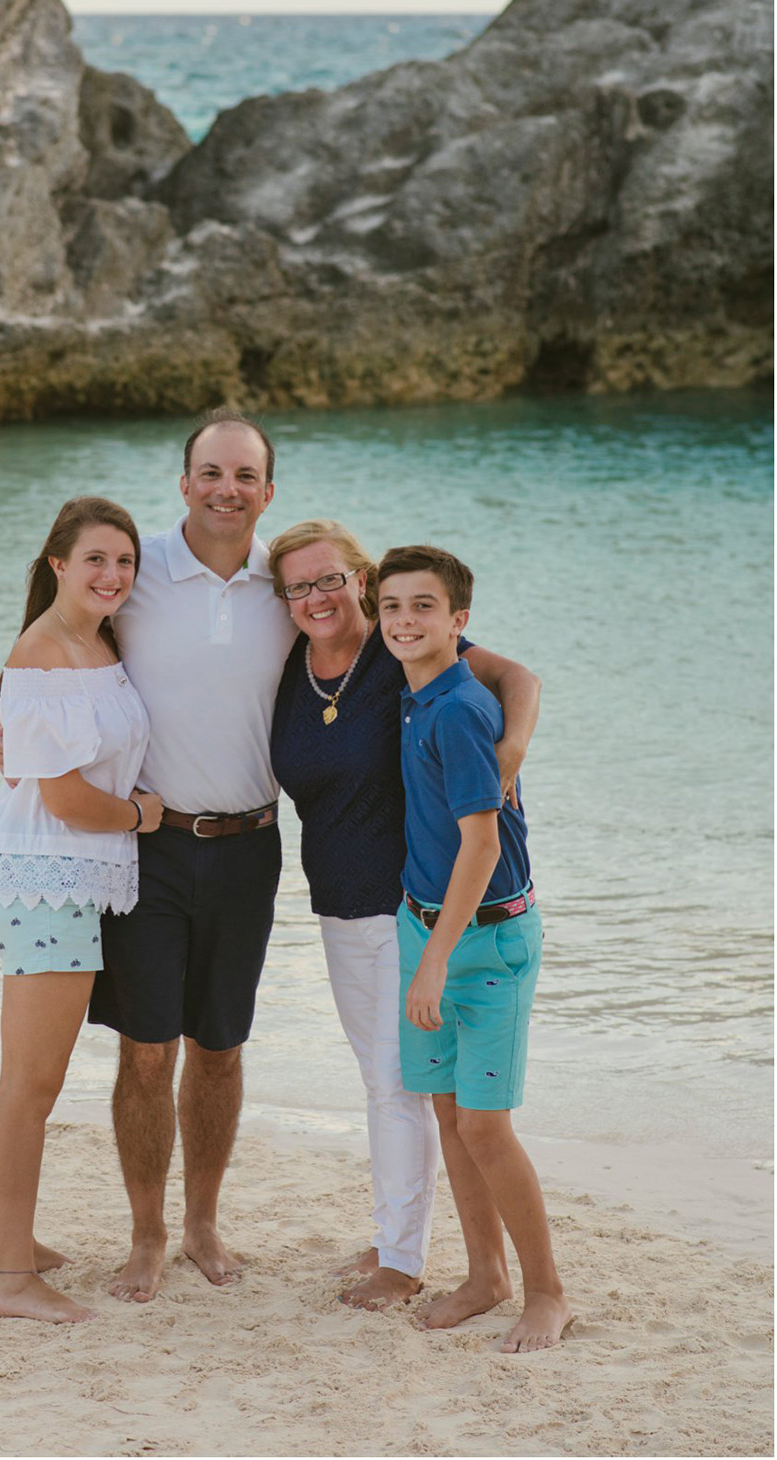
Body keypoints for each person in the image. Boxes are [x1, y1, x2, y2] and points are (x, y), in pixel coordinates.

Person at [266, 520, 540, 1312]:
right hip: (337, 902)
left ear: (358, 578)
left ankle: (402, 1256)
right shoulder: (292, 666)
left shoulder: (404, 646)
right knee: (381, 1081)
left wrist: (512, 750)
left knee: (396, 1084)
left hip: (410, 905)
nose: (316, 597)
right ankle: (400, 1232)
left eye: (329, 580)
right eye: (298, 586)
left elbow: (516, 677)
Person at [69, 409, 294, 1302]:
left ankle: (203, 1221)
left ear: (268, 492)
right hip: (147, 849)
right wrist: (4, 715)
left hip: (252, 848)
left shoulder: (291, 582)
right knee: (147, 1051)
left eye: (244, 476)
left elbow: (400, 640)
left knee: (222, 1050)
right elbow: (54, 631)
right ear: (184, 482)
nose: (226, 489)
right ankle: (147, 1233)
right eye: (211, 472)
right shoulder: (135, 570)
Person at [0, 496, 162, 1324]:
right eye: (96, 561)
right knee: (31, 1083)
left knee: (36, 1078)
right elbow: (71, 799)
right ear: (56, 564)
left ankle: (15, 1240)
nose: (113, 576)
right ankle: (10, 1276)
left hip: (76, 876)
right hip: (48, 875)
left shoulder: (98, 642)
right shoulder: (42, 654)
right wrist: (144, 817)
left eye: (125, 562)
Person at [378, 544, 569, 1352]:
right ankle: (484, 1274)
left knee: (487, 1128)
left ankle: (547, 1293)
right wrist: (422, 941)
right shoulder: (417, 691)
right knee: (451, 1117)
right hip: (426, 921)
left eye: (424, 607)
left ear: (460, 622)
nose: (404, 621)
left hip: (486, 943)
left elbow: (482, 848)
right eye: (390, 606)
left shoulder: (457, 708)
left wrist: (433, 959)